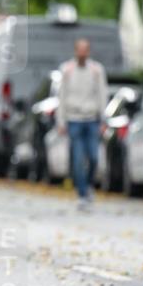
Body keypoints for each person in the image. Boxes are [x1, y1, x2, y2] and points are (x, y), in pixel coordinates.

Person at [56, 38, 108, 210]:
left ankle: (89, 184)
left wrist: (103, 119)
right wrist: (61, 121)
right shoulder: (67, 70)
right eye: (80, 49)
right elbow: (61, 97)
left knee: (93, 157)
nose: (82, 53)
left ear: (89, 52)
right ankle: (82, 194)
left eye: (85, 50)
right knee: (78, 159)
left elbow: (102, 94)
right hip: (74, 119)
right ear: (75, 51)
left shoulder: (96, 70)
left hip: (92, 119)